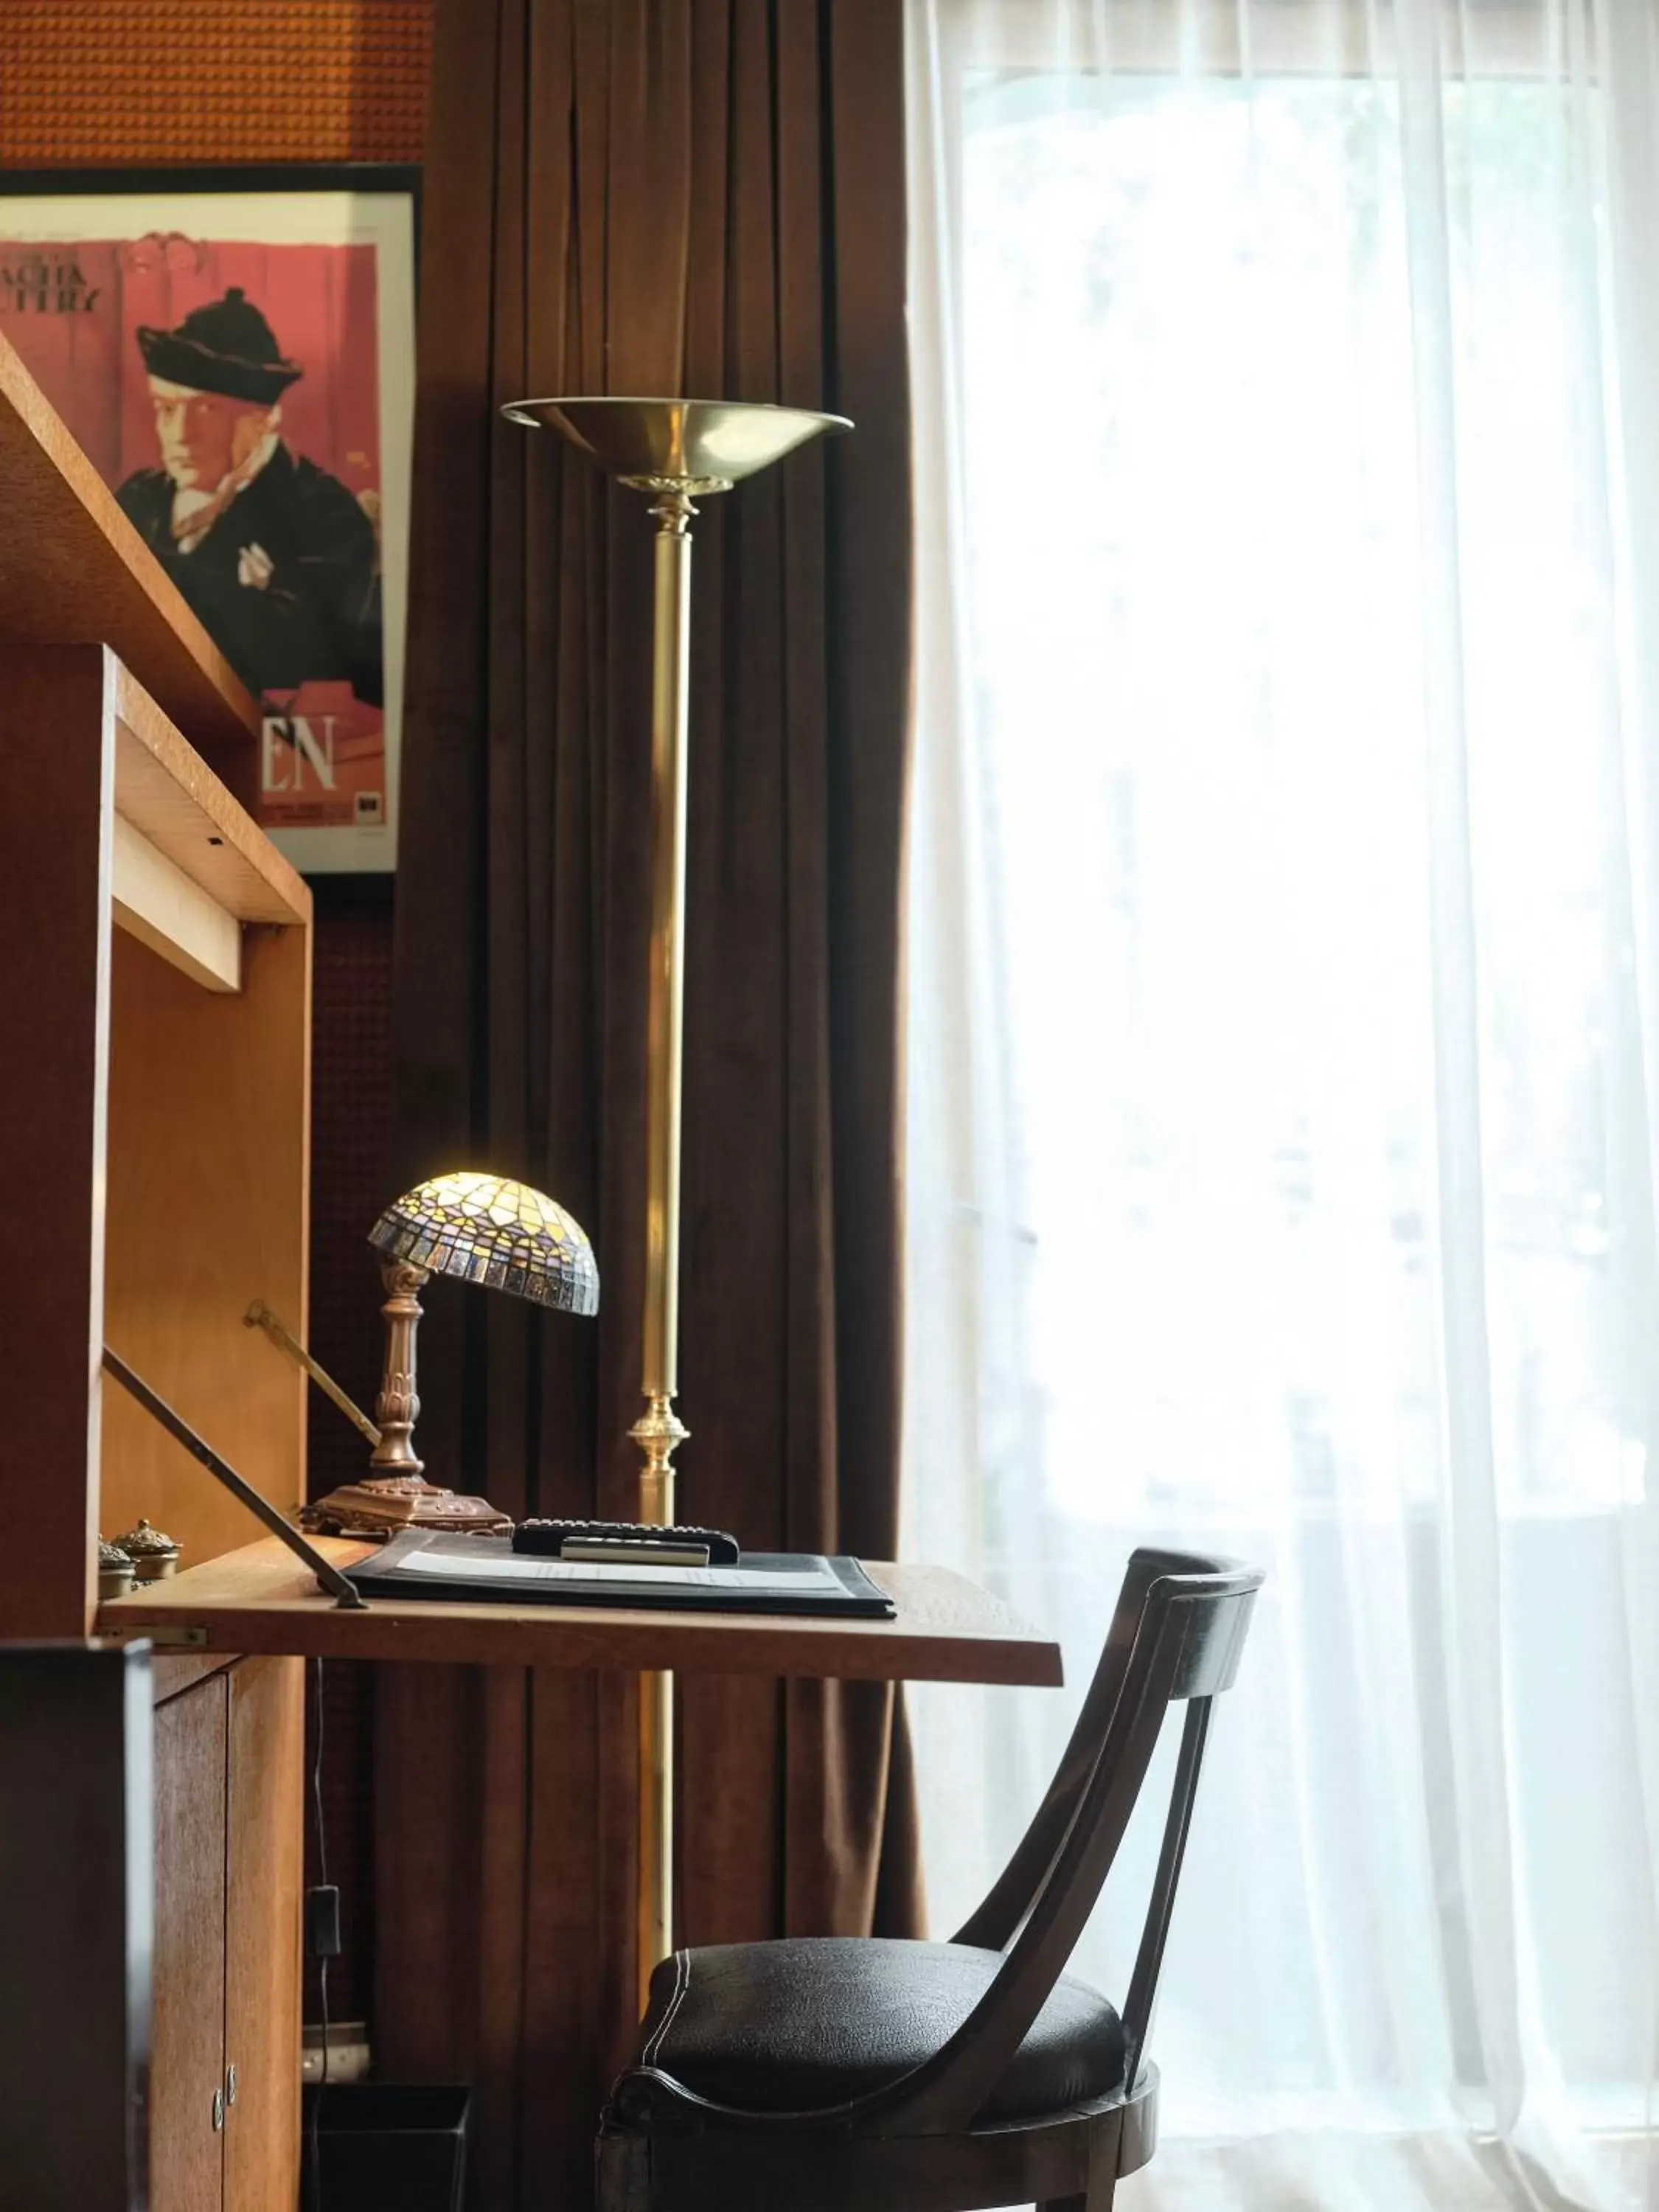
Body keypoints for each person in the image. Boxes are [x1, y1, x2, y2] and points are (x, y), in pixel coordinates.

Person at [116, 287, 383, 707]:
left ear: (262, 421)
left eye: (208, 411)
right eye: (167, 410)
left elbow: (333, 671)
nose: (181, 435)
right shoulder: (138, 499)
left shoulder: (324, 514)